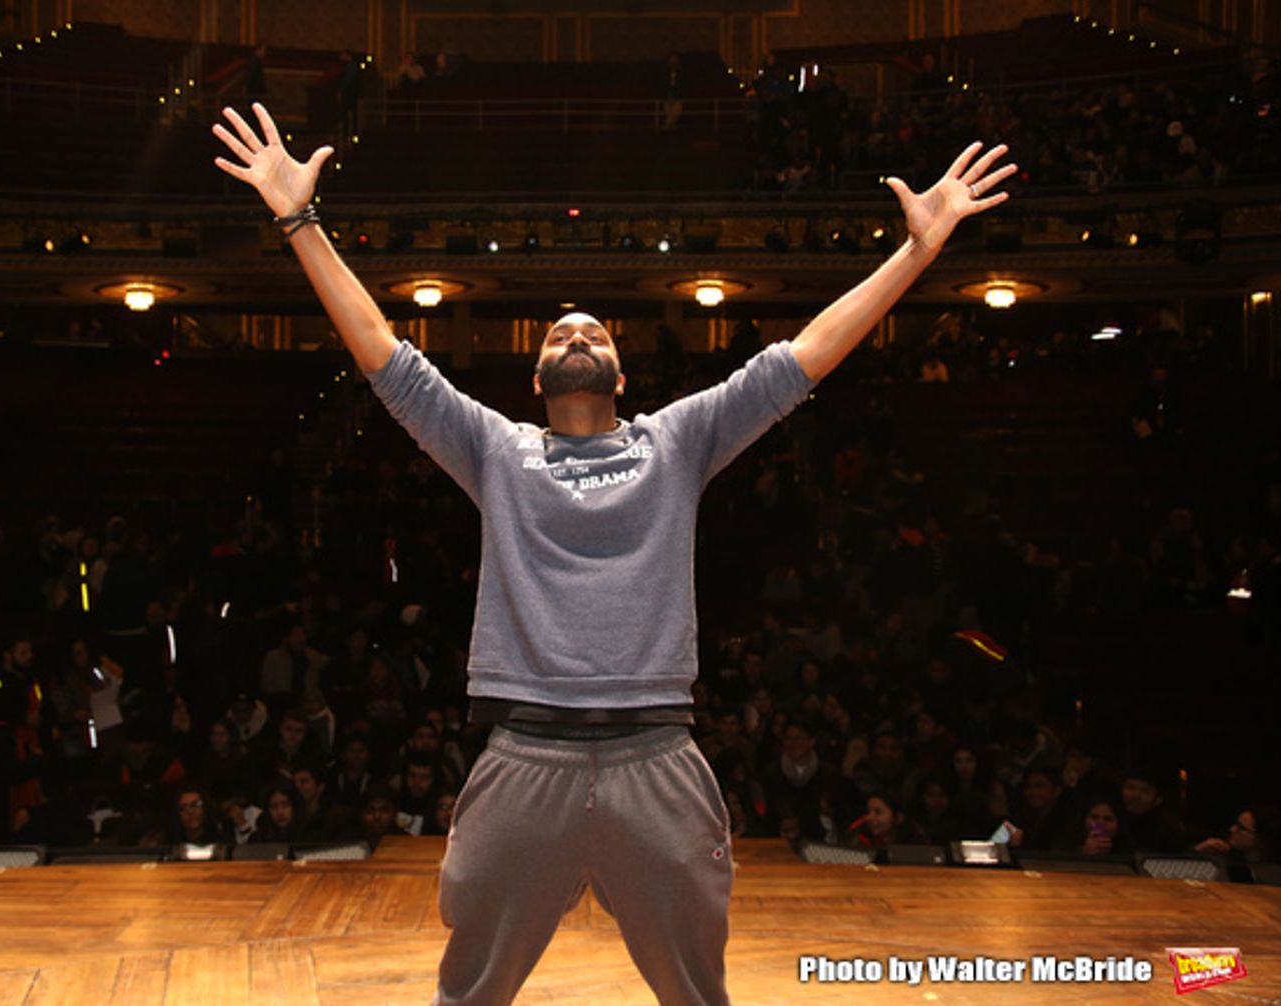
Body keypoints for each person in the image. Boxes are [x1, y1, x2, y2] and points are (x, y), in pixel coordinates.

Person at [213, 101, 1013, 1006]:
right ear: (537, 376)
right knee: (467, 994)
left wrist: (917, 253)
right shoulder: (494, 449)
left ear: (622, 377)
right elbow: (384, 358)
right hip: (522, 754)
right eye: (561, 334)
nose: (579, 336)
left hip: (656, 756)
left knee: (698, 996)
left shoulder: (677, 440)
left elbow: (802, 360)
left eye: (595, 333)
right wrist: (299, 222)